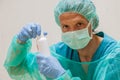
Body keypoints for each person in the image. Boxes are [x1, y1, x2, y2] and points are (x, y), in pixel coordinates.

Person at [4, 0, 120, 80]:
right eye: (66, 26)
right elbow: (16, 69)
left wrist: (62, 76)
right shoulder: (61, 53)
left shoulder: (113, 57)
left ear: (91, 23)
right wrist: (20, 42)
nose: (72, 32)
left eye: (79, 24)